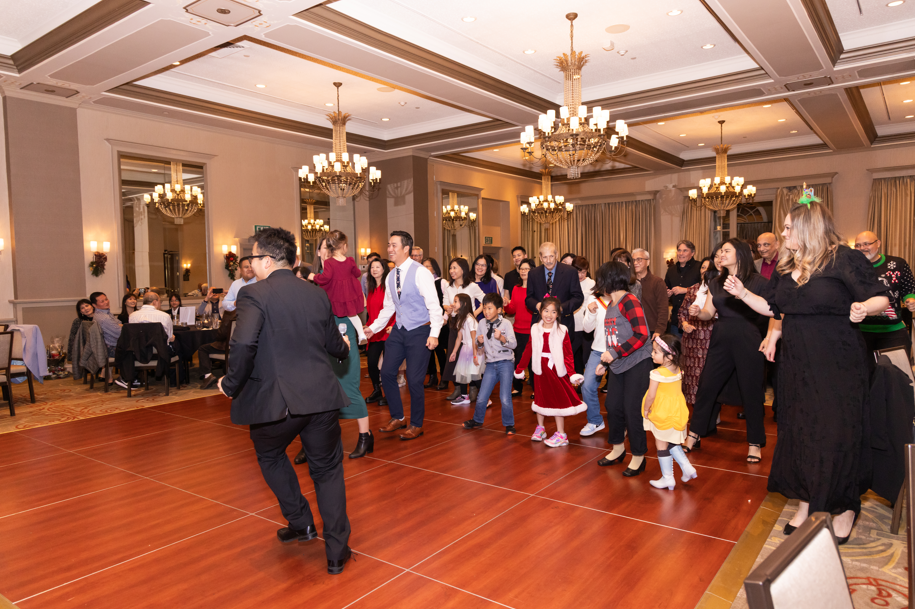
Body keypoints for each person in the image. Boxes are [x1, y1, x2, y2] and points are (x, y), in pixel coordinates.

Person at [724, 198, 888, 545]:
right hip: (797, 363)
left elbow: (881, 298)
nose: (782, 234)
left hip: (838, 363)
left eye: (787, 228)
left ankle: (844, 506)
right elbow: (772, 307)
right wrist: (741, 294)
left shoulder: (844, 258)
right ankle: (807, 501)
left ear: (808, 227)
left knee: (836, 433)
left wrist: (862, 307)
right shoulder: (786, 268)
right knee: (799, 431)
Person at [218, 227, 354, 574]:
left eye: (252, 258)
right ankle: (337, 552)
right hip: (322, 397)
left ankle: (301, 521)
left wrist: (230, 383)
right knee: (327, 472)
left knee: (268, 454)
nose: (251, 264)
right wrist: (344, 347)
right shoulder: (315, 293)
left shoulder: (254, 294)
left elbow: (244, 345)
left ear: (265, 259)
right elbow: (333, 344)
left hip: (278, 402)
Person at [685, 239, 769, 464]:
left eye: (726, 251)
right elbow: (708, 313)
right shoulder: (716, 281)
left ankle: (754, 442)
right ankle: (694, 433)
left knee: (751, 391)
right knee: (707, 385)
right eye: (720, 252)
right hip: (721, 337)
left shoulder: (758, 282)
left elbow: (773, 312)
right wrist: (697, 312)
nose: (720, 255)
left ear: (740, 255)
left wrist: (770, 338)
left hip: (748, 337)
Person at [364, 230, 443, 441]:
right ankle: (398, 417)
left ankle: (417, 424)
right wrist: (374, 327)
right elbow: (388, 307)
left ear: (406, 248)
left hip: (420, 329)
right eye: (388, 245)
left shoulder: (420, 273)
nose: (389, 249)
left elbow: (434, 306)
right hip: (399, 330)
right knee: (387, 373)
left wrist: (434, 333)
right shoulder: (391, 275)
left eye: (393, 245)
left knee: (415, 380)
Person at [306, 230, 372, 458]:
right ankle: (314, 443)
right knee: (319, 389)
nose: (328, 252)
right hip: (320, 337)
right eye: (324, 248)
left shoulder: (332, 273)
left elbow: (351, 308)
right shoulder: (314, 281)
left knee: (348, 384)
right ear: (320, 252)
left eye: (330, 247)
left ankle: (365, 436)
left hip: (342, 330)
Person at [588, 262, 654, 475]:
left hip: (637, 363)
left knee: (631, 409)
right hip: (618, 365)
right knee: (613, 406)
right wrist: (604, 363)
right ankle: (617, 449)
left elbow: (642, 334)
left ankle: (638, 456)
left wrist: (614, 354)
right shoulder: (612, 304)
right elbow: (613, 339)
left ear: (610, 280)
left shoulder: (629, 301)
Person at [514, 297, 585, 447]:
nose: (549, 315)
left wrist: (572, 373)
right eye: (546, 311)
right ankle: (540, 428)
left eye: (553, 312)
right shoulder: (535, 328)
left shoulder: (562, 330)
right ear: (540, 311)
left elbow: (568, 353)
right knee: (540, 397)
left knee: (558, 400)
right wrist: (520, 368)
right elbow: (528, 349)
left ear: (558, 314)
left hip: (555, 370)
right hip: (540, 370)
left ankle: (561, 434)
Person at [642, 334, 697, 490]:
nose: (652, 354)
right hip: (676, 410)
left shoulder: (657, 373)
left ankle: (668, 478)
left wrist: (646, 408)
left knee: (661, 444)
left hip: (661, 412)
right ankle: (687, 467)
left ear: (670, 356)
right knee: (671, 440)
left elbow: (651, 395)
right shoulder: (679, 370)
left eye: (656, 352)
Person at [854, 230, 915, 358]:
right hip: (860, 332)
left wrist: (910, 300)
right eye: (858, 245)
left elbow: (909, 289)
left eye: (866, 244)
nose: (862, 248)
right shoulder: (850, 268)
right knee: (866, 375)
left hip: (893, 331)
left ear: (878, 243)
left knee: (896, 374)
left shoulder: (898, 264)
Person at [464, 293, 518, 433]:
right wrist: (479, 343)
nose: (486, 312)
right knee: (482, 396)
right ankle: (477, 419)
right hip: (490, 363)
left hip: (505, 362)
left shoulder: (506, 324)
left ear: (499, 310)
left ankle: (509, 424)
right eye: (484, 308)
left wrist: (502, 338)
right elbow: (480, 347)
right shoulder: (481, 323)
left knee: (505, 397)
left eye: (490, 308)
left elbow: (513, 344)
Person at [441, 258, 486, 400]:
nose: (451, 271)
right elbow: (444, 303)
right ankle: (458, 389)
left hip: (468, 323)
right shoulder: (448, 286)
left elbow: (484, 299)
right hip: (454, 323)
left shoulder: (471, 286)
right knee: (454, 356)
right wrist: (448, 307)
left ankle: (473, 388)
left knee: (469, 355)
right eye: (450, 268)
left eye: (455, 268)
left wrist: (475, 313)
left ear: (463, 269)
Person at [677, 257, 715, 407]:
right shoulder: (693, 289)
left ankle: (711, 412)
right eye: (703, 267)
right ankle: (694, 413)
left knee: (708, 378)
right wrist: (685, 324)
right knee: (690, 379)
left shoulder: (720, 290)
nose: (704, 270)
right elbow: (682, 313)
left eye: (708, 267)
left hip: (710, 341)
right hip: (691, 342)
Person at [526, 242, 584, 336]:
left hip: (563, 324)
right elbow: (528, 299)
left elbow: (578, 298)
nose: (548, 260)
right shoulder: (533, 274)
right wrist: (537, 305)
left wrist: (560, 308)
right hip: (540, 326)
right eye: (545, 257)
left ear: (556, 255)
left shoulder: (570, 272)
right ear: (540, 257)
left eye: (551, 256)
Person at [364, 258, 395, 407]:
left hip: (388, 331)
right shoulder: (371, 289)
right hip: (375, 332)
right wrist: (368, 326)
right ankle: (377, 390)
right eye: (372, 267)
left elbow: (394, 309)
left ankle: (389, 394)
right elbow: (371, 312)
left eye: (378, 267)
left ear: (384, 270)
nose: (374, 269)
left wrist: (393, 326)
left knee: (388, 367)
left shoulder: (388, 288)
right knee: (371, 363)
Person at [504, 258, 534, 397]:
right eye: (521, 268)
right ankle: (517, 387)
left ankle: (536, 389)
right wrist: (505, 304)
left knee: (533, 362)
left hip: (532, 330)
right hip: (517, 330)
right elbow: (512, 310)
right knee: (518, 360)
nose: (523, 271)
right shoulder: (516, 288)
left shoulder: (536, 289)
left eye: (526, 268)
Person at [447, 293, 483, 406]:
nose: (453, 304)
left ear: (464, 304)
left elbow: (474, 338)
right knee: (462, 373)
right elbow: (459, 337)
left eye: (456, 301)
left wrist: (475, 355)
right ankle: (464, 396)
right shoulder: (461, 319)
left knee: (474, 375)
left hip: (472, 349)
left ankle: (485, 397)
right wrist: (453, 352)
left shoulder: (469, 319)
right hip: (465, 349)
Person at [665, 240, 702, 338]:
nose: (681, 253)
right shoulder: (671, 270)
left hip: (695, 320)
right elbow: (666, 288)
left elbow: (706, 289)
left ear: (693, 253)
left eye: (685, 251)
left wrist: (686, 290)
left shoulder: (700, 267)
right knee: (675, 351)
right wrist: (667, 294)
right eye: (679, 250)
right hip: (676, 320)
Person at [632, 249, 669, 339]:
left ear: (648, 262)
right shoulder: (629, 283)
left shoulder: (657, 282)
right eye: (633, 260)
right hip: (632, 330)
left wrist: (659, 330)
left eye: (639, 259)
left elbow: (663, 309)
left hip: (652, 330)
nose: (635, 263)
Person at [422, 257, 447, 390]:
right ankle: (432, 376)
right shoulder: (422, 283)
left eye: (428, 266)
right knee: (428, 351)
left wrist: (444, 318)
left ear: (435, 268)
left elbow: (446, 301)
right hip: (426, 322)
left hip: (440, 322)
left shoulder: (441, 282)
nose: (425, 268)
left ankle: (444, 377)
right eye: (423, 266)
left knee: (439, 351)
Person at [199, 307, 238, 389]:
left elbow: (223, 333)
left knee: (203, 349)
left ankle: (208, 375)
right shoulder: (246, 309)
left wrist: (217, 336)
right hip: (238, 347)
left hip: (225, 347)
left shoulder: (229, 311)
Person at [571, 256, 595, 375]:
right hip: (572, 324)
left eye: (583, 271)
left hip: (586, 326)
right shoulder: (569, 282)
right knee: (575, 355)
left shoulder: (592, 283)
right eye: (578, 271)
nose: (580, 275)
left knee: (584, 356)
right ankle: (579, 382)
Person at [89, 292, 122, 357]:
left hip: (113, 346)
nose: (106, 302)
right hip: (113, 349)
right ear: (94, 305)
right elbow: (121, 332)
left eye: (106, 299)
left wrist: (119, 325)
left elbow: (119, 323)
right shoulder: (104, 318)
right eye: (102, 301)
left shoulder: (106, 313)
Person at [472, 254, 499, 319]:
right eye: (477, 264)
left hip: (486, 318)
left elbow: (495, 303)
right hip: (468, 319)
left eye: (483, 265)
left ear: (488, 267)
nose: (480, 267)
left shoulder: (492, 282)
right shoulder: (467, 281)